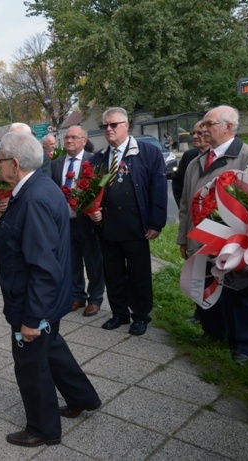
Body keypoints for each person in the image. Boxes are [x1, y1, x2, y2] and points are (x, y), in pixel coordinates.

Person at [0, 132, 101, 448]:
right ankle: (84, 397)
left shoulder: (35, 197)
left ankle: (43, 428)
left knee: (31, 364)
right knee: (53, 349)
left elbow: (42, 266)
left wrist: (32, 318)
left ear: (14, 163)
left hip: (34, 301)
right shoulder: (38, 187)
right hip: (46, 299)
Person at [177, 105, 248, 364]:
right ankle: (213, 332)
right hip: (201, 240)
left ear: (228, 127)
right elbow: (186, 204)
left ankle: (243, 345)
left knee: (238, 291)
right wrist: (182, 239)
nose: (203, 129)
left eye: (209, 124)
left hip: (234, 244)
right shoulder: (197, 161)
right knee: (204, 283)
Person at [89, 107, 167, 336]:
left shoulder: (147, 153)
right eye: (105, 126)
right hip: (107, 228)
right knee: (112, 274)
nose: (109, 129)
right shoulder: (99, 158)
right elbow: (90, 193)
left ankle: (141, 315)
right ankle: (119, 313)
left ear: (126, 125)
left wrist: (156, 224)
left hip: (135, 227)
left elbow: (159, 190)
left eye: (113, 124)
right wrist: (91, 212)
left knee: (138, 274)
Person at [51, 126, 104, 316]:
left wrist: (98, 211)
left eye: (74, 137)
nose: (69, 140)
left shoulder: (94, 161)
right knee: (71, 260)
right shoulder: (56, 164)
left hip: (88, 221)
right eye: (67, 137)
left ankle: (95, 298)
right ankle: (77, 296)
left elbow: (102, 190)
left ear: (84, 140)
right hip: (65, 222)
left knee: (93, 261)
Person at [0, 123, 52, 217]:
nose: (11, 142)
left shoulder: (34, 198)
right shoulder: (6, 159)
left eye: (17, 138)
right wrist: (0, 208)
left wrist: (12, 200)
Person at [171, 121, 209, 208]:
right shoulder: (188, 156)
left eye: (199, 133)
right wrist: (183, 205)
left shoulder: (218, 157)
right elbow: (177, 181)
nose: (194, 136)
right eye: (193, 133)